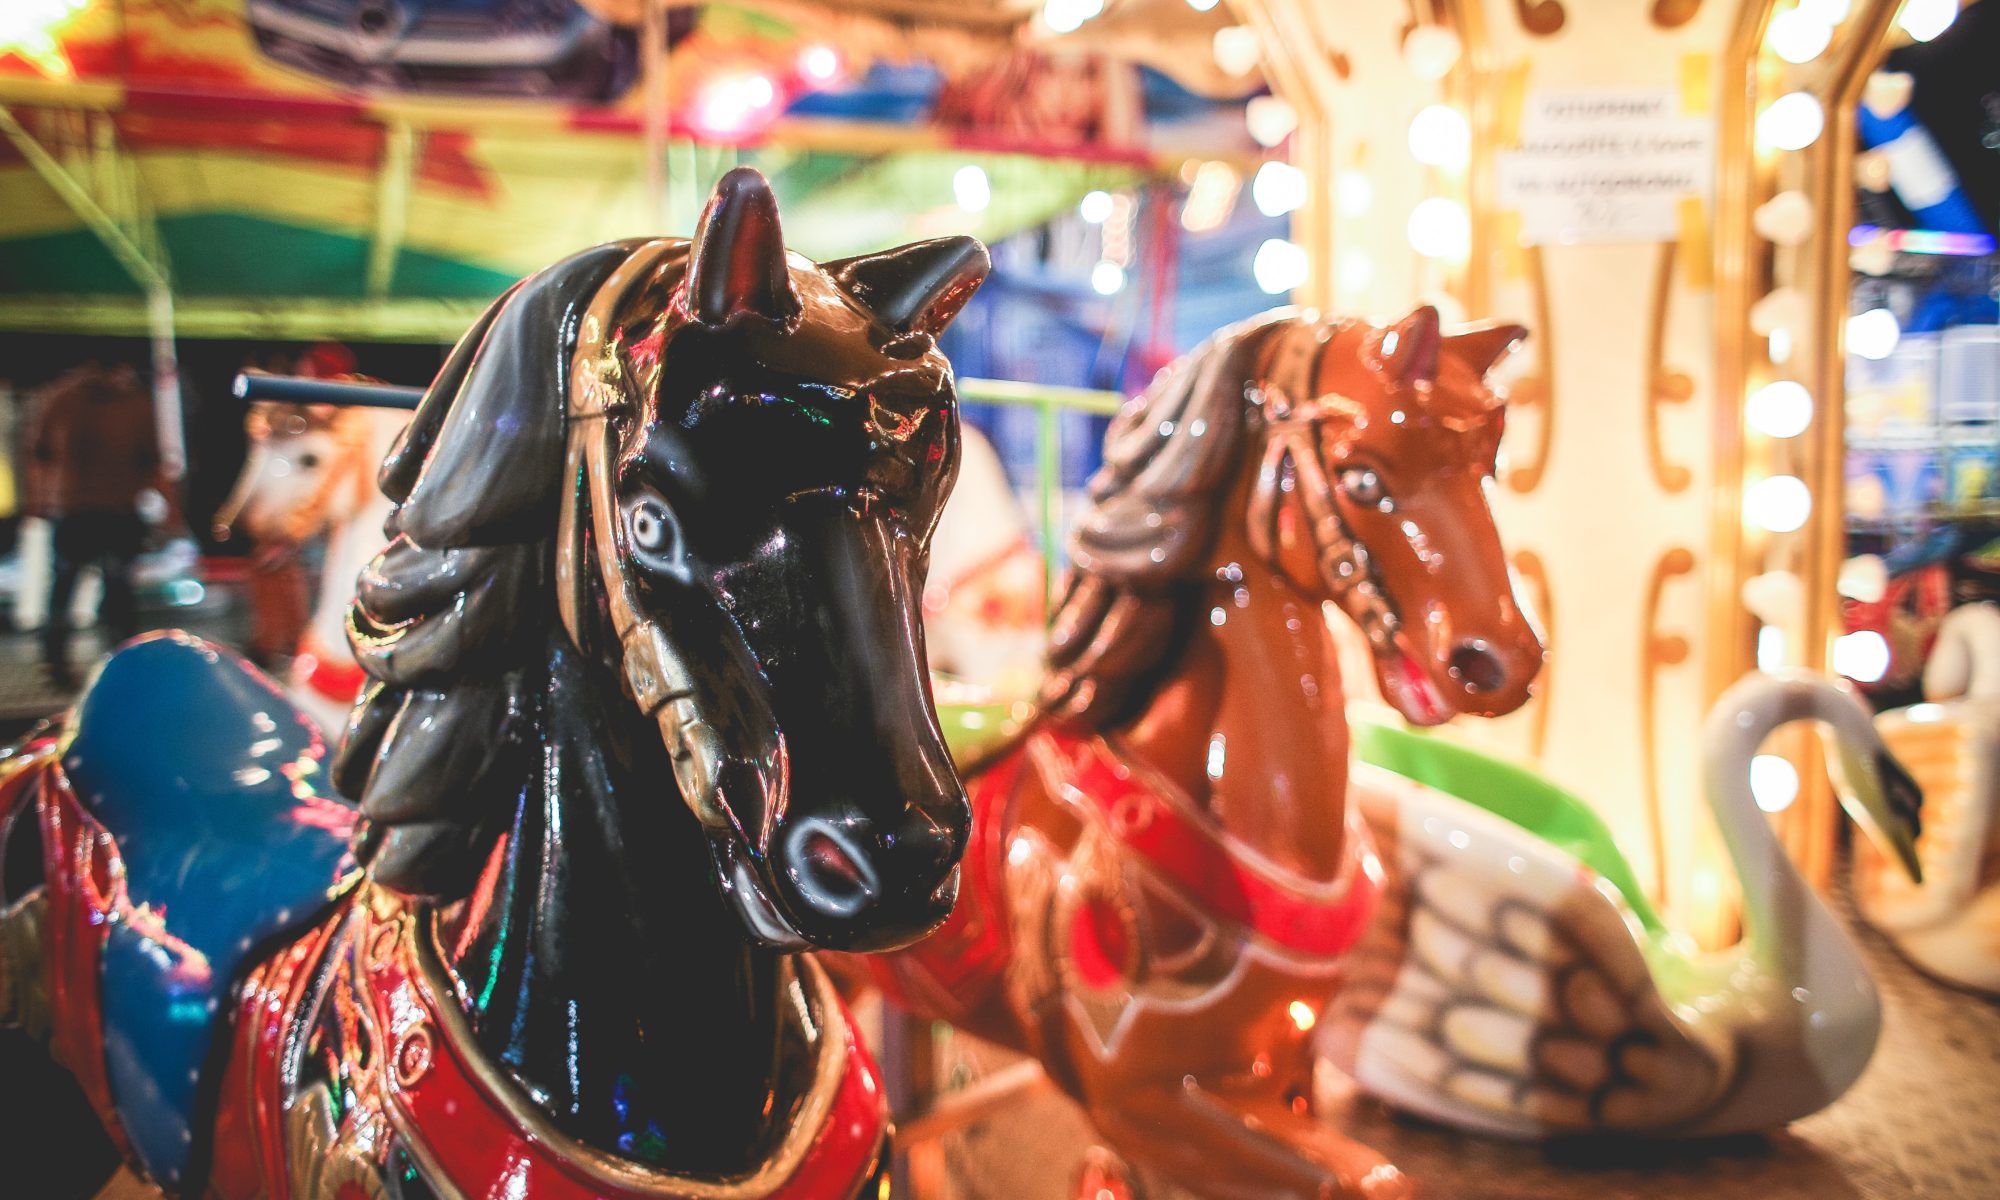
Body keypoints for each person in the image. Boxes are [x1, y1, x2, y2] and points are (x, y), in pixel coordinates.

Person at [27, 361, 159, 688]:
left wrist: (41, 499)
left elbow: (39, 452)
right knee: (117, 589)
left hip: (73, 506)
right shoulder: (135, 402)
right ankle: (123, 665)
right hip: (116, 507)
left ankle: (56, 664)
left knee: (65, 586)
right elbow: (151, 457)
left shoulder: (60, 398)